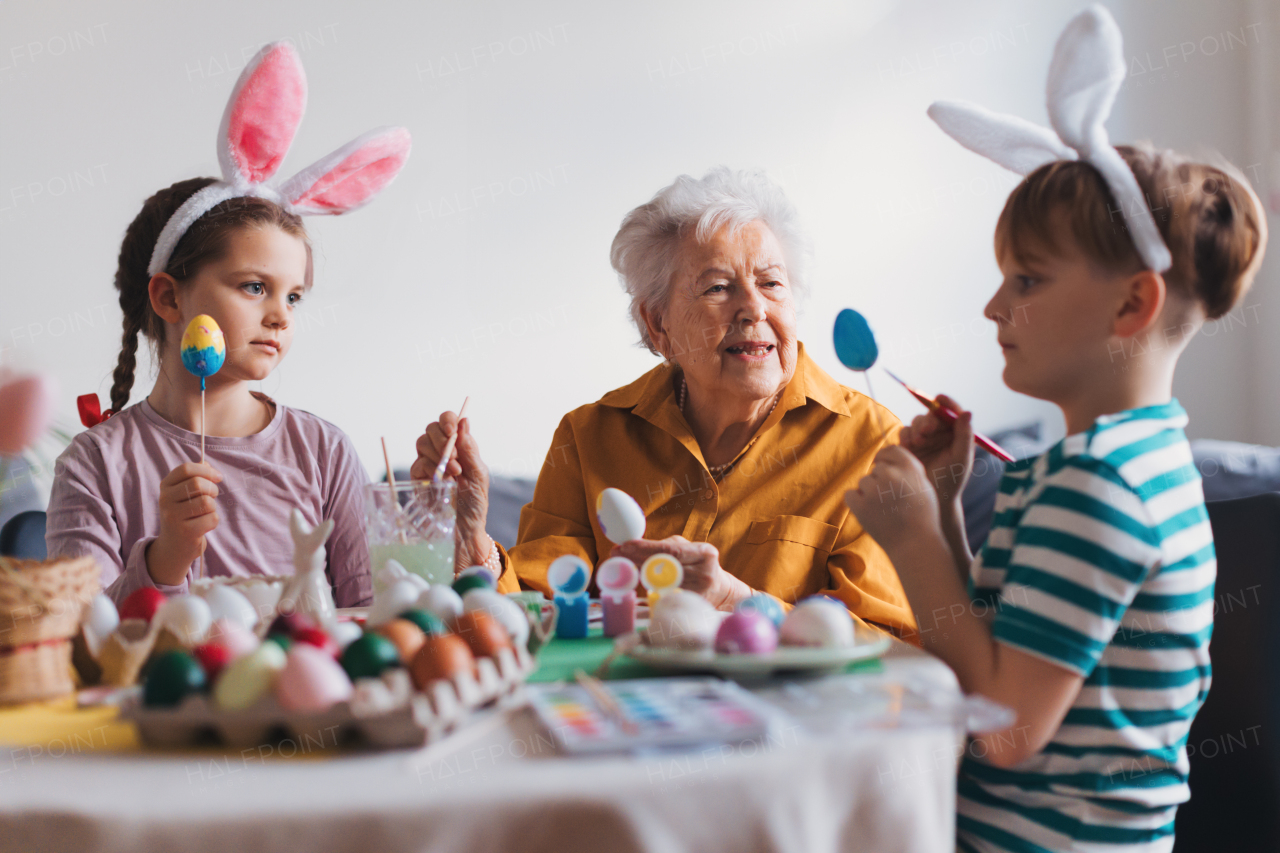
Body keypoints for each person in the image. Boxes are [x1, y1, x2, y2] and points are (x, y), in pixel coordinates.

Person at [844, 8, 1268, 850]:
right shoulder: (1124, 464)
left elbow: (1005, 728)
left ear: (1130, 302)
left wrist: (916, 542)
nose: (995, 306)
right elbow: (1003, 655)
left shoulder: (1099, 484)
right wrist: (944, 500)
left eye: (1027, 279)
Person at [412, 167, 916, 637]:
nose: (755, 308)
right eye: (719, 287)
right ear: (658, 325)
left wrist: (739, 603)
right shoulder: (589, 439)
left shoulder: (873, 444)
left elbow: (895, 646)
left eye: (771, 283)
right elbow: (533, 616)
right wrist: (469, 533)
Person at [46, 41, 411, 609]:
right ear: (169, 298)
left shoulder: (323, 452)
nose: (280, 315)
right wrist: (165, 558)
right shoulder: (95, 464)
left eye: (295, 296)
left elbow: (370, 612)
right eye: (255, 287)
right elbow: (77, 642)